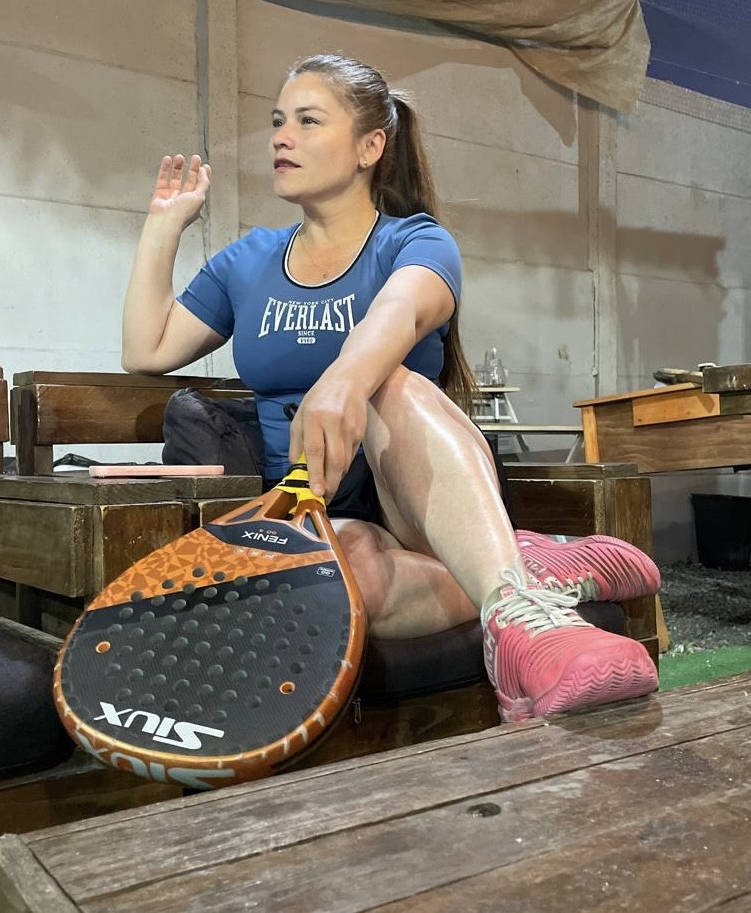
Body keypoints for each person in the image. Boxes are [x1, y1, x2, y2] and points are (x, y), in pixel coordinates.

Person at [121, 53, 659, 723]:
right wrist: (164, 223)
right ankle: (524, 571)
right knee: (342, 581)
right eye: (278, 121)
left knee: (389, 382)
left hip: (422, 501)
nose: (281, 137)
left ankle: (521, 622)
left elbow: (400, 313)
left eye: (308, 121)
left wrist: (345, 380)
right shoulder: (247, 261)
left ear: (370, 147)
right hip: (319, 510)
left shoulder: (415, 242)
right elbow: (146, 348)